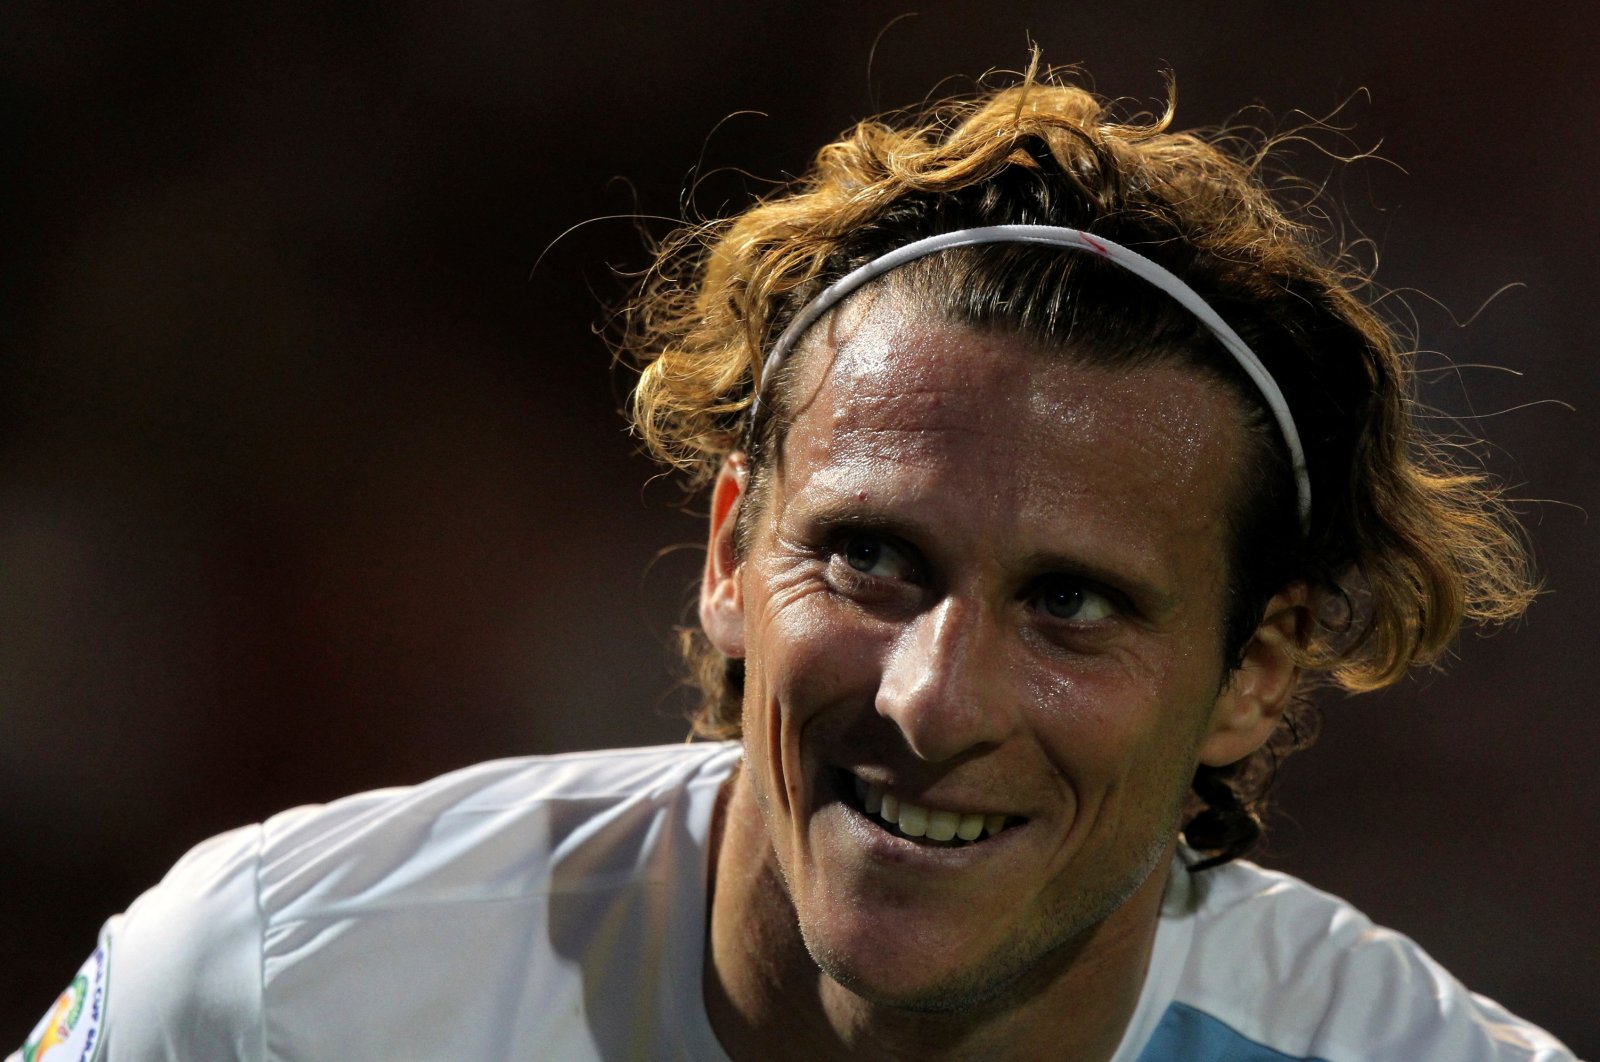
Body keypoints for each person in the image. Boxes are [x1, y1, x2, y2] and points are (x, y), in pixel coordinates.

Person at [12, 68, 1575, 1061]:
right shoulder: (284, 990)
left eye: (1072, 603)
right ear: (726, 553)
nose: (934, 695)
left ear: (1258, 667)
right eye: (875, 558)